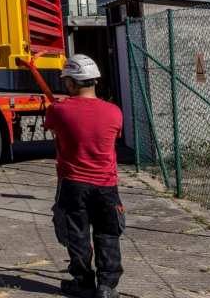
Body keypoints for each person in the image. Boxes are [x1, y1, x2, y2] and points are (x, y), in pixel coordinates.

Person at [44, 54, 126, 298]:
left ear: (71, 83)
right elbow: (115, 136)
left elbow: (51, 128)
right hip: (106, 185)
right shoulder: (114, 112)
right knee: (108, 234)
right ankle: (107, 287)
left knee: (76, 234)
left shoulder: (57, 110)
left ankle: (82, 283)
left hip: (72, 184)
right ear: (94, 82)